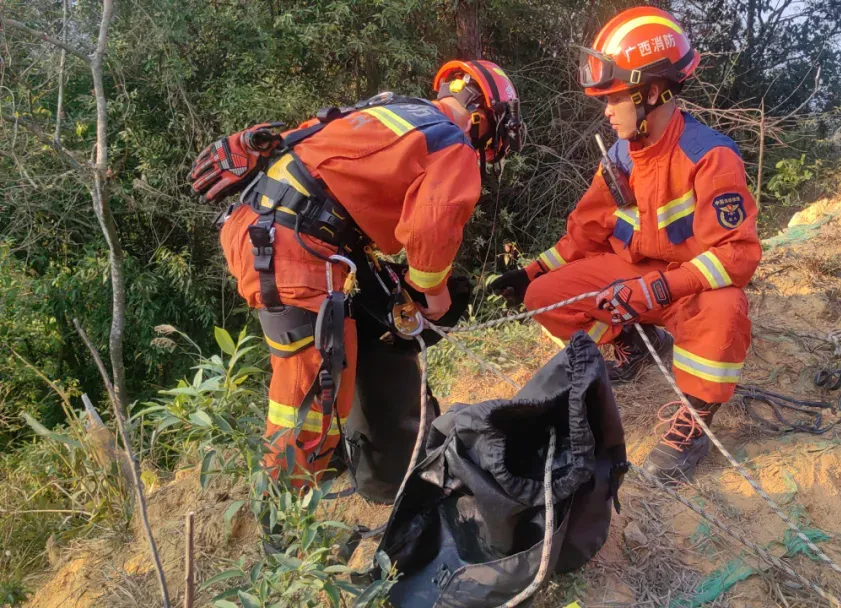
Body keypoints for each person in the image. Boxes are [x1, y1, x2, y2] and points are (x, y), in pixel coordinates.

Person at [190, 60, 525, 497]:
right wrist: (433, 292)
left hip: (270, 227)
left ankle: (330, 464)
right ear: (485, 118)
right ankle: (285, 508)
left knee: (337, 358)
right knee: (310, 392)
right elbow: (432, 227)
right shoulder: (453, 143)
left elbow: (314, 154)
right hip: (295, 247)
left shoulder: (393, 109)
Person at [490, 6, 761, 480]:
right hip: (634, 280)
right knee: (544, 298)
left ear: (652, 93)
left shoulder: (709, 156)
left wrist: (658, 290)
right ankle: (635, 343)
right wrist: (531, 273)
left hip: (687, 290)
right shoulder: (620, 157)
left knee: (727, 308)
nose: (606, 110)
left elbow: (736, 255)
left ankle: (695, 418)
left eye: (614, 98)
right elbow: (586, 230)